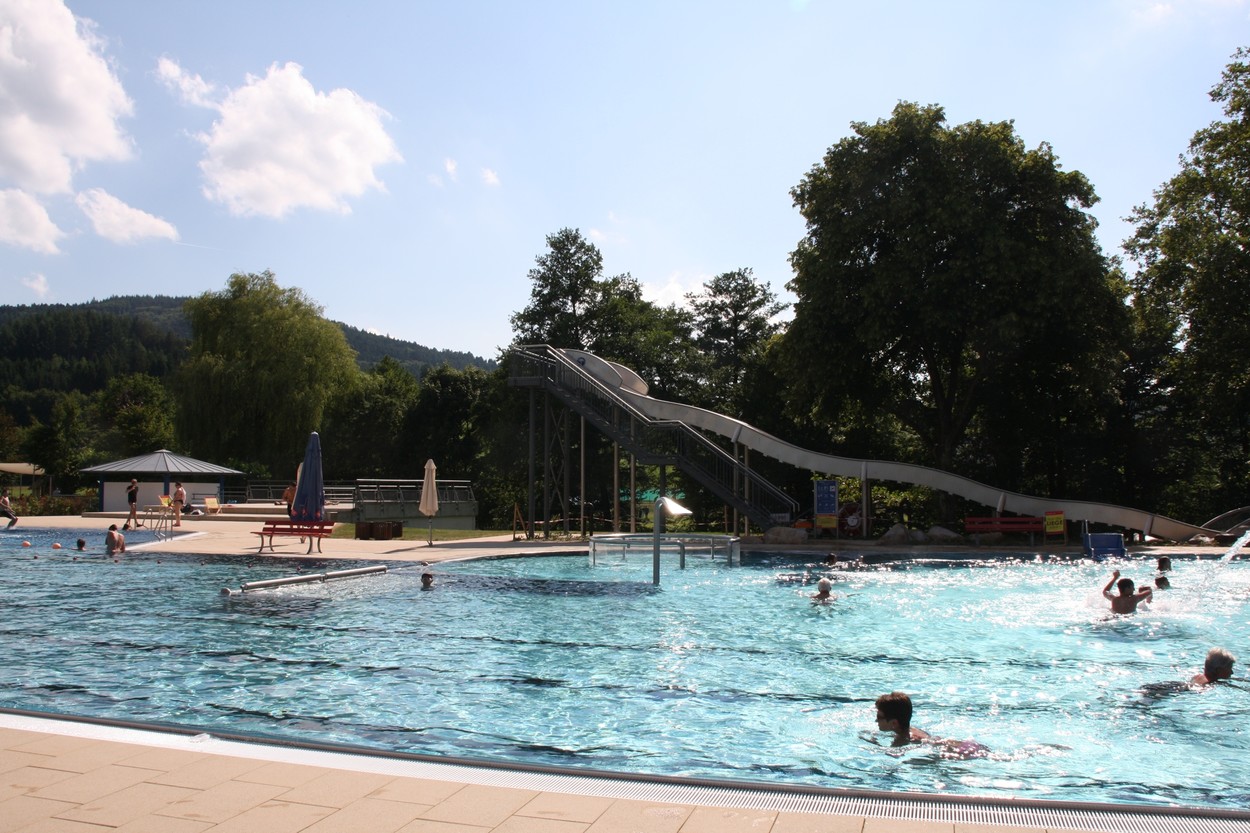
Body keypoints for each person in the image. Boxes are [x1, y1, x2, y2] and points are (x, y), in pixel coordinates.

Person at [874, 692, 988, 757]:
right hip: (965, 746)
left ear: (894, 723)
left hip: (959, 753)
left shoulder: (902, 740)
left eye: (879, 717)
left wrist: (874, 744)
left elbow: (892, 755)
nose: (876, 721)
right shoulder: (911, 730)